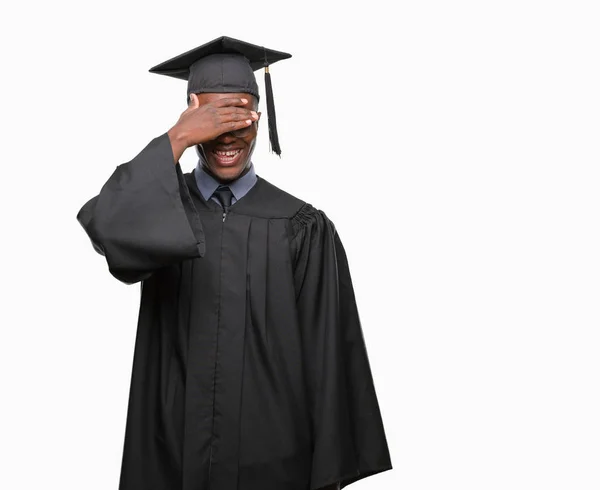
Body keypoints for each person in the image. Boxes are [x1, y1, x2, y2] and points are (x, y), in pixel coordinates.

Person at [77, 36, 392, 490]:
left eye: (240, 116)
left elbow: (329, 358)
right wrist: (177, 138)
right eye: (211, 117)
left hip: (275, 458)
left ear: (260, 118)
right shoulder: (160, 207)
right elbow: (104, 226)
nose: (226, 135)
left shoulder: (302, 225)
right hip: (172, 452)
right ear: (190, 111)